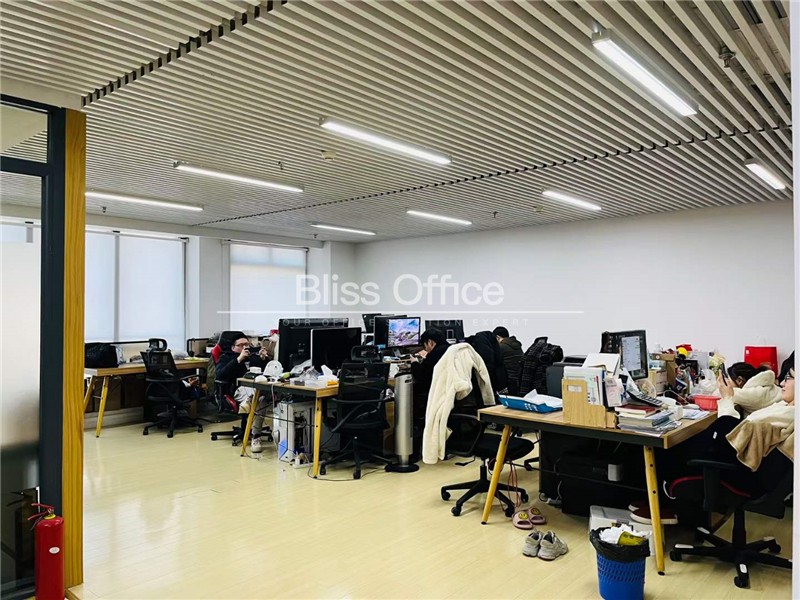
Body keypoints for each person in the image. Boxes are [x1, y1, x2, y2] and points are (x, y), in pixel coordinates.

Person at [216, 332, 268, 453]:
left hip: (256, 388)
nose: (245, 347)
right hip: (236, 390)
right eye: (241, 345)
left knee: (261, 400)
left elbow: (266, 373)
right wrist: (239, 359)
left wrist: (264, 359)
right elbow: (221, 375)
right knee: (259, 399)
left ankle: (249, 402)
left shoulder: (253, 357)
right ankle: (256, 435)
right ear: (233, 348)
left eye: (247, 344)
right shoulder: (226, 358)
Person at [716, 362, 782, 419]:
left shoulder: (751, 394)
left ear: (739, 380)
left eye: (728, 379)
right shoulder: (764, 385)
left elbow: (724, 392)